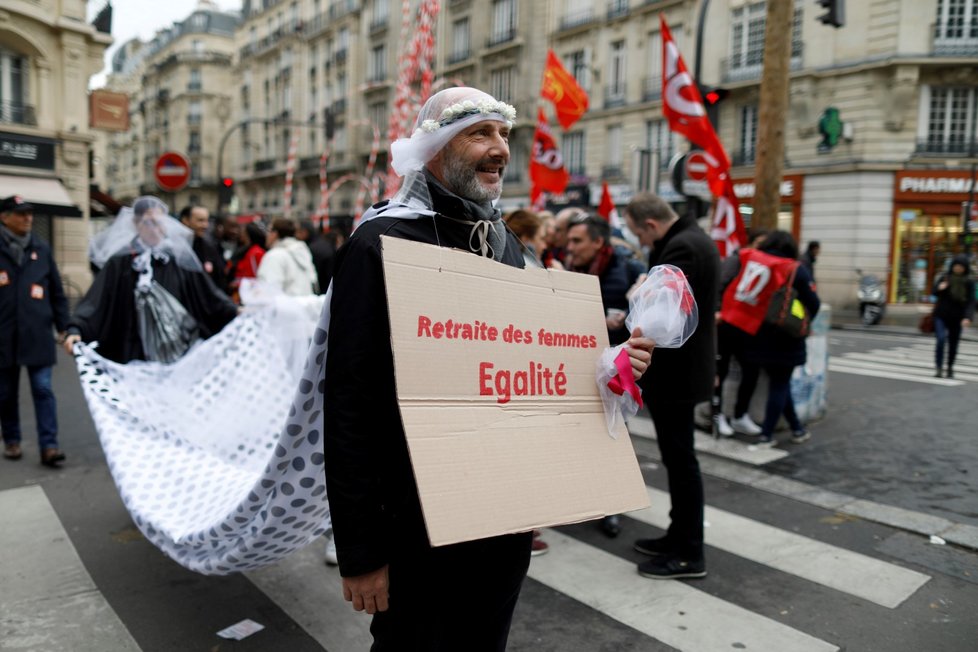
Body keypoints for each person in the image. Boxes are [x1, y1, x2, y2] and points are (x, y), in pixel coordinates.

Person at [324, 86, 654, 649]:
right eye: (480, 133)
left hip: (501, 522)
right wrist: (361, 550)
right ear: (434, 147)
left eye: (504, 134)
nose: (500, 147)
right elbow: (349, 404)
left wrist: (608, 365)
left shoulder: (504, 243)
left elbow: (527, 374)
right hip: (415, 526)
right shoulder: (380, 243)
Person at [623, 193, 719, 580]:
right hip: (684, 372)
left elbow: (661, 317)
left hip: (677, 375)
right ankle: (678, 535)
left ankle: (688, 553)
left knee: (681, 462)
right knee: (678, 460)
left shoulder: (682, 247)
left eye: (639, 236)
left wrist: (637, 297)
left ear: (650, 225)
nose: (642, 244)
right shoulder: (693, 239)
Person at [63, 196, 238, 364]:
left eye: (160, 222)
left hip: (175, 352)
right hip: (130, 353)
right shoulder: (120, 263)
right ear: (136, 224)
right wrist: (76, 329)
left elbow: (208, 295)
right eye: (149, 222)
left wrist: (235, 311)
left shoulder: (177, 259)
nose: (156, 228)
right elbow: (96, 301)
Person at [565, 213, 646, 538]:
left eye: (577, 241)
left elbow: (645, 321)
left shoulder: (628, 269)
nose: (569, 247)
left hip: (616, 373)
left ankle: (612, 508)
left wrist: (626, 320)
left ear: (598, 242)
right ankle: (586, 496)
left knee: (615, 435)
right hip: (580, 367)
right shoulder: (572, 267)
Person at [730, 231, 821, 447]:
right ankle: (767, 434)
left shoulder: (752, 262)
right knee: (780, 384)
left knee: (780, 383)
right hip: (785, 337)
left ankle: (797, 428)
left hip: (756, 334)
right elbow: (813, 303)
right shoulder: (794, 269)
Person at [0, 195, 69, 467]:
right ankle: (12, 440)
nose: (28, 218)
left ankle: (49, 446)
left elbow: (57, 292)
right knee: (5, 393)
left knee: (43, 389)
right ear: (4, 217)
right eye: (20, 214)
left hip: (37, 333)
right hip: (4, 336)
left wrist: (65, 326)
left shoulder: (41, 248)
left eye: (29, 213)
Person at [714, 229, 768, 437]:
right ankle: (717, 416)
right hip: (727, 324)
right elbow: (720, 285)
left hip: (747, 327)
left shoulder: (763, 266)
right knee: (721, 370)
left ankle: (740, 415)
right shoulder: (736, 261)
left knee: (751, 369)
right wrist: (718, 311)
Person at [932, 254, 975, 378]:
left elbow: (971, 301)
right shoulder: (945, 278)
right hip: (941, 315)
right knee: (940, 339)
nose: (958, 268)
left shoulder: (969, 282)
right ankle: (939, 367)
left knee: (953, 344)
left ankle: (950, 367)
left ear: (965, 268)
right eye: (956, 266)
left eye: (961, 266)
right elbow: (934, 292)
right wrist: (940, 288)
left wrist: (968, 317)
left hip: (957, 317)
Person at [257, 218, 317, 296]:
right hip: (305, 306)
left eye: (268, 231)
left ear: (275, 233)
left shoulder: (274, 256)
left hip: (285, 307)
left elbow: (268, 294)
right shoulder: (302, 252)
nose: (266, 235)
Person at [179, 205, 228, 294]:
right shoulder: (176, 249)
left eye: (206, 220)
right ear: (186, 220)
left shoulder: (210, 247)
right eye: (200, 220)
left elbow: (219, 279)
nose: (205, 225)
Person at [227, 221, 267, 302]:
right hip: (239, 294)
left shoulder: (257, 252)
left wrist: (239, 283)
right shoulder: (244, 250)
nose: (241, 233)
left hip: (251, 295)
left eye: (244, 232)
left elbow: (260, 277)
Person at [296, 219, 336, 294]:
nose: (296, 235)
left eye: (298, 232)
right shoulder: (325, 243)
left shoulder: (309, 249)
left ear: (305, 232)